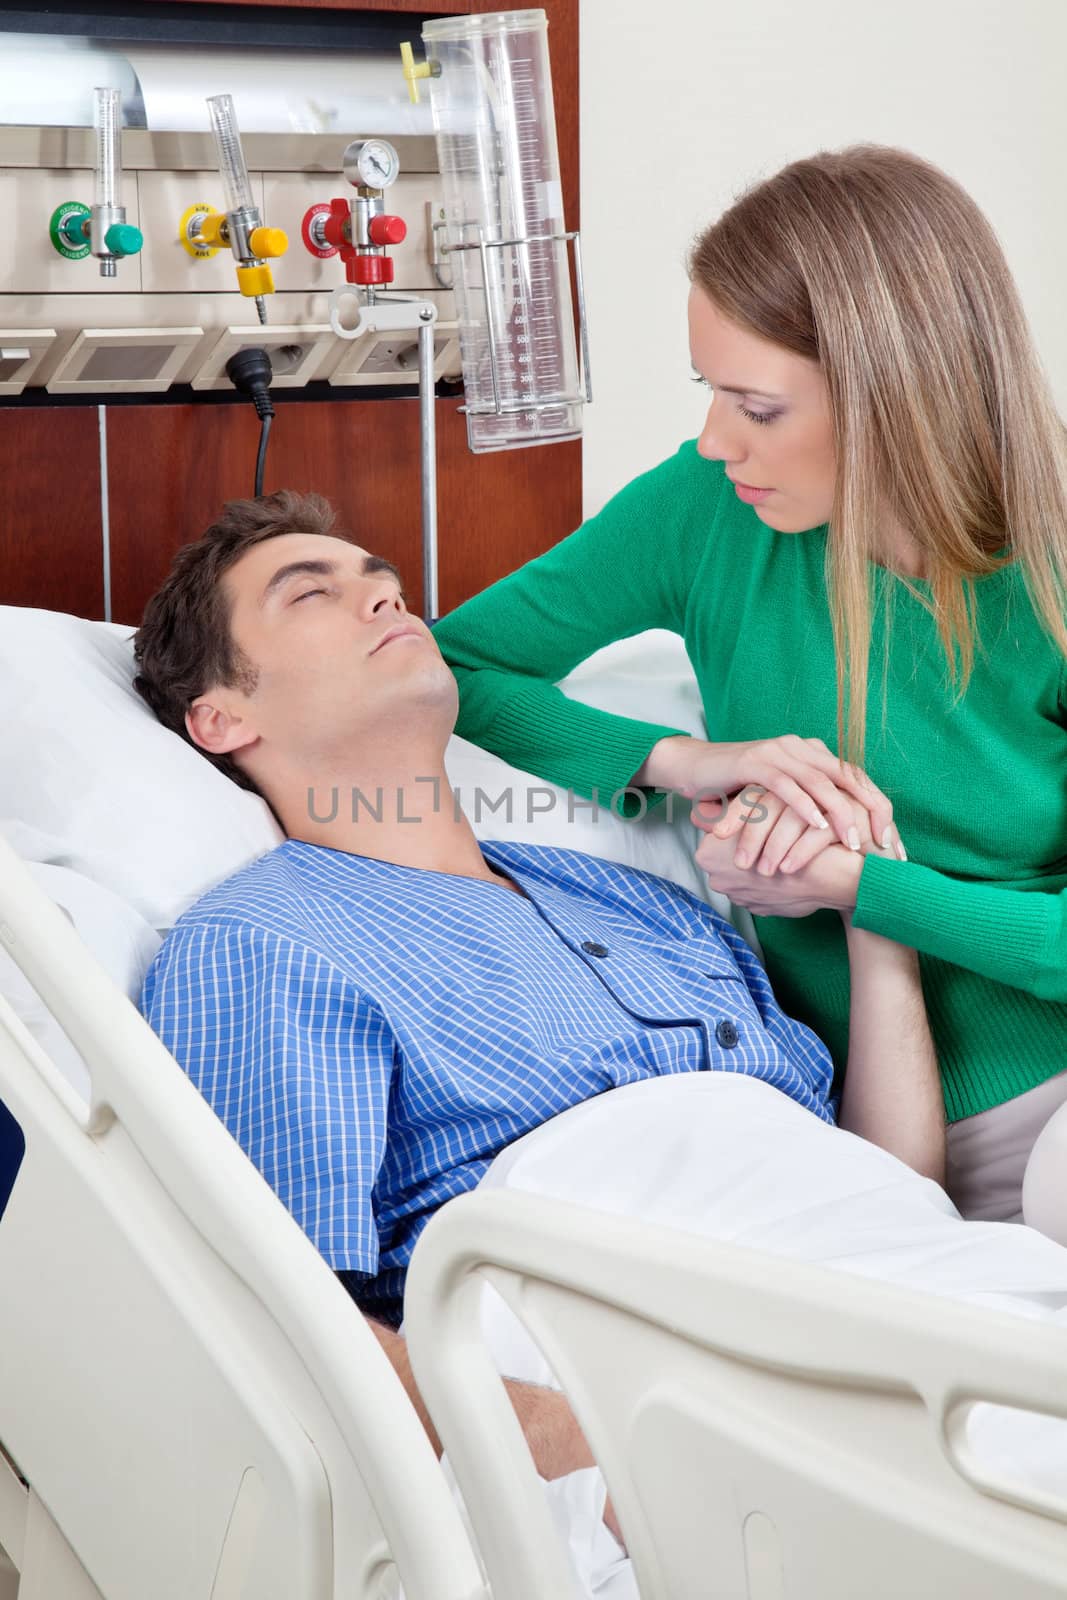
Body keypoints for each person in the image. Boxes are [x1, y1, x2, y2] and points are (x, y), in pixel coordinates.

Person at [133, 490, 942, 1489]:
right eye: (313, 595)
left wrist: (876, 918)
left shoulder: (639, 900)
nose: (386, 602)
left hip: (910, 1298)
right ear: (221, 717)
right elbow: (280, 1317)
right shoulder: (263, 944)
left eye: (386, 586)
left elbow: (888, 1185)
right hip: (667, 1394)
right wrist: (608, 1455)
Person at [431, 143, 1067, 1224]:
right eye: (707, 392)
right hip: (856, 1125)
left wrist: (856, 888)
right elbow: (446, 665)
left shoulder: (1047, 569)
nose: (713, 440)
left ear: (894, 397)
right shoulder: (703, 510)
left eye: (755, 407)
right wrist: (682, 761)